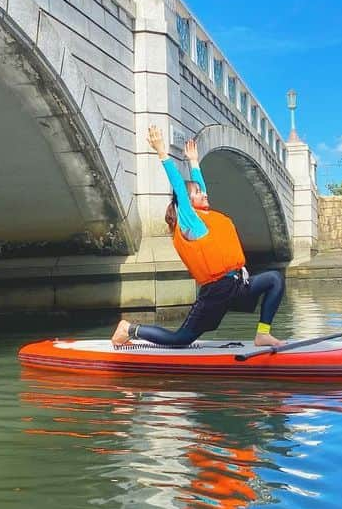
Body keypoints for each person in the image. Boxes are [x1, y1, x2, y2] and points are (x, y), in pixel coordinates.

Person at [111, 126, 285, 349]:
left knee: (275, 279)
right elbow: (180, 190)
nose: (204, 193)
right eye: (198, 194)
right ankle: (129, 329)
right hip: (216, 291)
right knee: (180, 340)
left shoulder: (205, 216)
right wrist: (162, 152)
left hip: (237, 285)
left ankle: (263, 334)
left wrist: (194, 162)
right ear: (187, 204)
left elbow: (198, 188)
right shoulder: (190, 221)